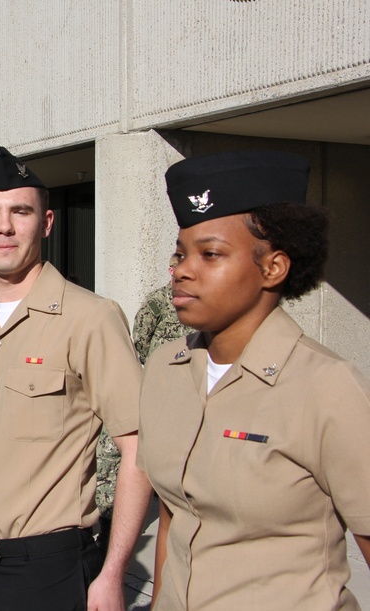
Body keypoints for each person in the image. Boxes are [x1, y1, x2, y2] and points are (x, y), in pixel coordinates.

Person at [138, 150, 370, 609]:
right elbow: (173, 516)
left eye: (211, 254)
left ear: (273, 268)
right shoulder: (165, 370)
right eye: (180, 253)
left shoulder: (326, 385)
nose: (182, 269)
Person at [0, 146, 153, 610]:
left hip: (47, 570)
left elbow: (139, 447)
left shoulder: (91, 318)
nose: (3, 226)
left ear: (46, 223)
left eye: (20, 211)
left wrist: (113, 571)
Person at [96, 275, 194, 552]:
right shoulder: (157, 302)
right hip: (158, 393)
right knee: (113, 460)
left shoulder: (205, 302)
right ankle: (108, 527)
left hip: (190, 397)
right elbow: (139, 342)